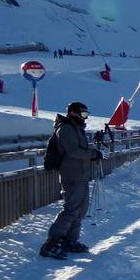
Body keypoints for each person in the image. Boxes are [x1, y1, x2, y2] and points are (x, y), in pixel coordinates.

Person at [39, 101, 104, 259]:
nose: (85, 117)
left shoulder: (76, 128)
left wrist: (94, 152)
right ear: (73, 113)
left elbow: (80, 149)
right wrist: (93, 154)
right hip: (72, 175)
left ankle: (69, 240)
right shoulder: (66, 128)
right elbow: (73, 151)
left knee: (80, 210)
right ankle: (51, 242)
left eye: (86, 114)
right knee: (71, 209)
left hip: (81, 174)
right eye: (83, 114)